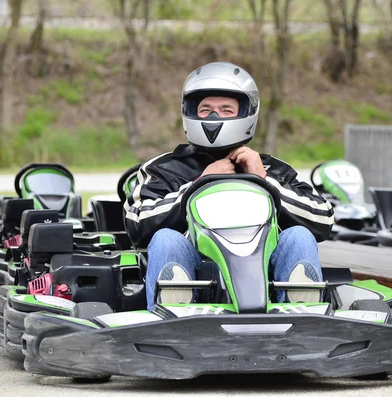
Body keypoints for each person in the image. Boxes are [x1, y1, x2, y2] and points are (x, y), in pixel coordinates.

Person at [124, 62, 334, 310]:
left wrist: (264, 180)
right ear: (189, 112)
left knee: (299, 237)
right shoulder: (162, 169)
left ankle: (303, 318)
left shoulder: (274, 169)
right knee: (166, 240)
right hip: (198, 271)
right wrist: (198, 184)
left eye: (226, 110)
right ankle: (174, 316)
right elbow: (136, 224)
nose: (214, 118)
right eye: (205, 110)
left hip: (265, 273)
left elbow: (323, 219)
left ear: (246, 113)